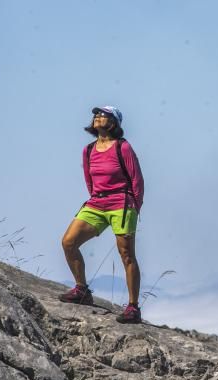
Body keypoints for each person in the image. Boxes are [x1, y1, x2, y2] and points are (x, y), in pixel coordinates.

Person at [58, 105, 146, 324]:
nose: (97, 117)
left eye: (104, 115)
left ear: (114, 123)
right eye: (96, 114)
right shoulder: (88, 150)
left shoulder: (122, 148)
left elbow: (137, 180)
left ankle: (133, 308)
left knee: (126, 255)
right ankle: (81, 290)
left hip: (122, 203)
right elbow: (90, 180)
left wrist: (135, 207)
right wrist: (96, 200)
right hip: (97, 203)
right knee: (69, 242)